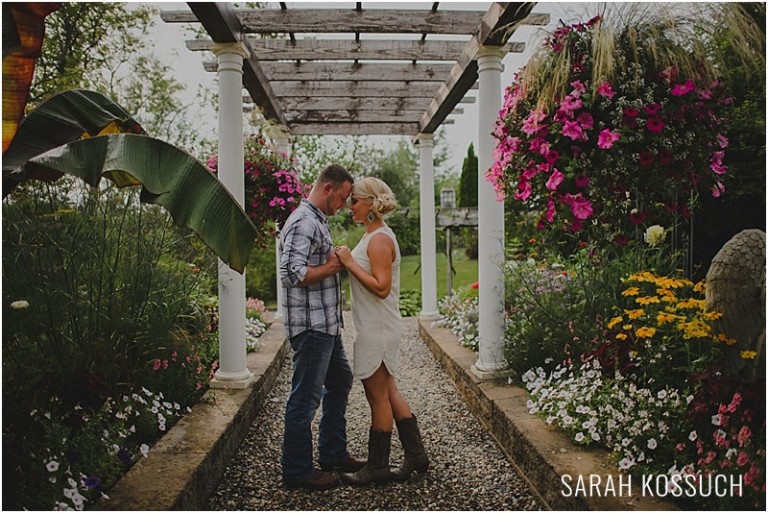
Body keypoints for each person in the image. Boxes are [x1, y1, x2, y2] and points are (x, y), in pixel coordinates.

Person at [334, 177, 430, 486]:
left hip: (378, 328)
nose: (351, 207)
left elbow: (382, 288)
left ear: (371, 205)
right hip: (378, 326)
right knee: (389, 391)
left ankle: (377, 467)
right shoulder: (374, 235)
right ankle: (416, 455)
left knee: (378, 398)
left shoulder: (379, 240)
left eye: (355, 202)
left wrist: (349, 262)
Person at [278, 164, 365, 490]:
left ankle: (332, 453)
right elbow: (290, 273)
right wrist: (331, 267)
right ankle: (297, 472)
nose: (343, 205)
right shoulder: (303, 222)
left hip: (326, 326)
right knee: (304, 400)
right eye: (342, 197)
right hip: (312, 328)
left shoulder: (316, 219)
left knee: (341, 379)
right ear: (328, 188)